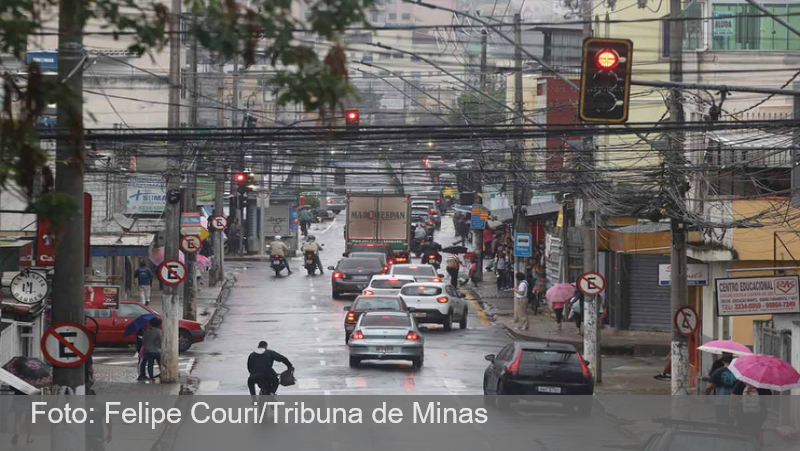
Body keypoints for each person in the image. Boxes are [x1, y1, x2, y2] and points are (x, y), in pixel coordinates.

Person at [706, 355, 736, 425]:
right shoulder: (737, 372)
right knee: (731, 422)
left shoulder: (718, 372)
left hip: (720, 401)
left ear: (723, 362)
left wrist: (706, 397)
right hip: (734, 402)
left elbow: (709, 385)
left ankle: (722, 434)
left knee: (721, 422)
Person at [141, 317, 162, 381]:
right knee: (160, 362)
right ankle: (162, 373)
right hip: (157, 350)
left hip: (147, 351)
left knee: (150, 364)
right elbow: (161, 340)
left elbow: (143, 340)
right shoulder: (159, 331)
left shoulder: (146, 331)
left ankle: (151, 377)